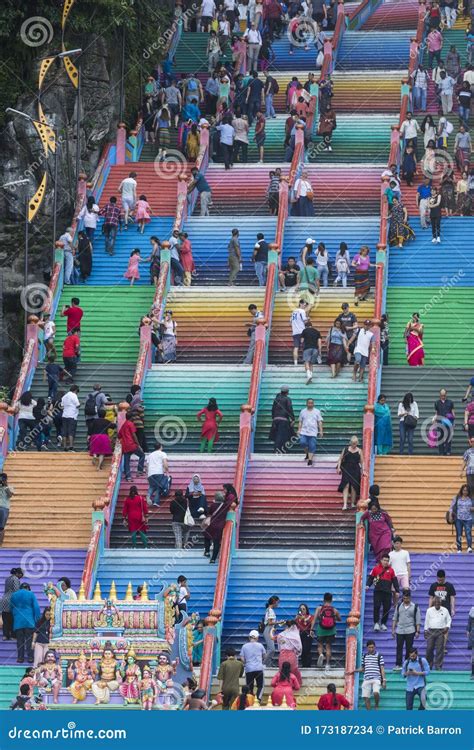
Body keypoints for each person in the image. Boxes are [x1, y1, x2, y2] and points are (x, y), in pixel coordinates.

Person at [204, 485, 238, 563]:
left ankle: (207, 551)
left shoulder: (213, 505)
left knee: (207, 536)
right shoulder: (225, 506)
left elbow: (209, 513)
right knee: (216, 542)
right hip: (221, 526)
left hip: (212, 525)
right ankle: (213, 559)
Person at [367, 552, 400, 631]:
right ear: (381, 560)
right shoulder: (375, 569)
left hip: (387, 592)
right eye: (384, 560)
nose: (385, 562)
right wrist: (367, 585)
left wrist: (397, 590)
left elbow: (394, 581)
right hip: (378, 591)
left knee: (386, 608)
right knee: (377, 607)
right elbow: (371, 578)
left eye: (387, 561)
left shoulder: (391, 570)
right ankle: (376, 623)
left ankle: (383, 623)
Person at [350, 640, 386, 711]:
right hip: (366, 678)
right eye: (369, 647)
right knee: (365, 696)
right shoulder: (365, 656)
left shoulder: (379, 656)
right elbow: (363, 668)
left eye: (372, 647)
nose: (371, 649)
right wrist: (354, 670)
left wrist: (384, 680)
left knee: (376, 692)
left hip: (376, 678)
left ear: (375, 647)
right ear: (367, 647)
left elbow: (382, 668)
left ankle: (376, 705)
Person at [10, 583, 41, 664]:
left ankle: (20, 658)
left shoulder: (14, 595)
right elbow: (36, 607)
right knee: (29, 640)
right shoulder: (31, 594)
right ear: (28, 588)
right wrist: (37, 618)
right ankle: (30, 657)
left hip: (18, 621)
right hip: (29, 621)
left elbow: (11, 607)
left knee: (20, 641)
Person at [392, 589, 421, 672]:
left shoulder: (415, 606)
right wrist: (393, 629)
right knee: (399, 647)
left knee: (409, 648)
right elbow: (395, 618)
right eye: (404, 598)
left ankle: (407, 664)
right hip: (400, 630)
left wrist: (417, 631)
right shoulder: (399, 606)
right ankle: (398, 664)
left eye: (407, 598)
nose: (406, 600)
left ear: (410, 598)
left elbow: (418, 619)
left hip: (410, 630)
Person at [311, 593, 341, 670]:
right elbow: (339, 619)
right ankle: (327, 664)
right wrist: (333, 618)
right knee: (328, 647)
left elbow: (314, 619)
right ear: (331, 600)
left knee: (320, 645)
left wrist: (311, 629)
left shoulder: (319, 608)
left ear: (323, 599)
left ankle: (321, 654)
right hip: (331, 630)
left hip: (321, 629)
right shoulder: (334, 610)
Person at [424, 597, 451, 670]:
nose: (437, 604)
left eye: (438, 603)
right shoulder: (429, 610)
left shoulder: (445, 610)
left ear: (440, 603)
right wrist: (425, 630)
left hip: (440, 631)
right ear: (433, 603)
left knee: (440, 649)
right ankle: (428, 666)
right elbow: (427, 620)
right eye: (435, 603)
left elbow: (449, 620)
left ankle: (438, 666)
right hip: (431, 631)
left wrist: (447, 627)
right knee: (429, 649)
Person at [337, 436, 363, 510]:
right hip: (346, 468)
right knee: (346, 485)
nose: (354, 445)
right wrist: (338, 468)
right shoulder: (345, 449)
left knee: (353, 486)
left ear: (357, 443)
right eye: (352, 443)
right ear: (350, 443)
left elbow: (362, 462)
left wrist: (363, 470)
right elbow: (340, 459)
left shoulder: (360, 451)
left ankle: (352, 503)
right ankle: (345, 504)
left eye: (355, 443)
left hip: (356, 469)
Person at [239, 630, 266, 701]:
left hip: (249, 669)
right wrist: (260, 661)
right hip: (259, 669)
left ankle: (250, 700)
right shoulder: (260, 645)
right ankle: (258, 699)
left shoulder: (244, 646)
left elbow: (242, 658)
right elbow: (264, 656)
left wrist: (247, 663)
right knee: (260, 686)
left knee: (249, 686)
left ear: (249, 637)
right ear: (257, 638)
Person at [119, 412, 145, 482]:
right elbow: (134, 435)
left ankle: (128, 477)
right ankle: (140, 471)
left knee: (126, 461)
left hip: (125, 446)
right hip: (131, 444)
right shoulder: (131, 424)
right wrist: (138, 445)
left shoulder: (123, 425)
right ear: (132, 418)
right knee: (142, 455)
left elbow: (119, 435)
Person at [269, 386, 295, 454]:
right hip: (283, 420)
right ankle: (278, 450)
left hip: (275, 419)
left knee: (277, 435)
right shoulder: (287, 399)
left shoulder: (276, 399)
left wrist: (273, 419)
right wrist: (293, 419)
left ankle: (277, 449)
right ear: (287, 392)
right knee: (282, 435)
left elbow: (273, 409)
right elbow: (289, 409)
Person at [298, 398, 324, 466]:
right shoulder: (302, 411)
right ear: (306, 403)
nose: (310, 404)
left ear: (313, 404)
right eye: (309, 403)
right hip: (304, 432)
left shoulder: (317, 411)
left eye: (311, 403)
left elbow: (319, 421)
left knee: (312, 446)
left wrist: (321, 431)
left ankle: (310, 460)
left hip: (313, 432)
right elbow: (300, 422)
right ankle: (307, 453)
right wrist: (299, 430)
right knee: (302, 443)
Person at [448, 484, 473, 553]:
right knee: (459, 534)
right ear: (461, 490)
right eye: (464, 490)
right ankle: (459, 549)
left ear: (469, 491)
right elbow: (451, 507)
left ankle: (469, 547)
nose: (465, 492)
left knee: (468, 533)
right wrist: (450, 515)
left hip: (468, 519)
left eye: (467, 491)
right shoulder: (456, 498)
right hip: (458, 519)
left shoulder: (471, 498)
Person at [0, 567, 23, 641]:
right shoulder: (15, 579)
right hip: (11, 600)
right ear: (17, 574)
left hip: (4, 599)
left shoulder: (7, 579)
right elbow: (16, 591)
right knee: (13, 619)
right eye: (21, 574)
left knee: (5, 618)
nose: (21, 576)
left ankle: (5, 635)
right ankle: (13, 635)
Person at [433, 388, 455, 456]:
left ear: (446, 394)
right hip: (440, 423)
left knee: (448, 437)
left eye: (444, 395)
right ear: (440, 395)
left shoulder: (450, 402)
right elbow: (436, 413)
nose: (443, 396)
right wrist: (434, 420)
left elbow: (453, 413)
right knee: (440, 437)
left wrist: (453, 422)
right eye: (442, 395)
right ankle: (441, 453)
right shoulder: (437, 403)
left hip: (448, 422)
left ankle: (448, 452)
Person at [146, 441, 169, 507]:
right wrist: (167, 470)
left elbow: (147, 466)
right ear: (161, 447)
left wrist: (147, 474)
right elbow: (165, 463)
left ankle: (149, 495)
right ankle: (156, 502)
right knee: (159, 486)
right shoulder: (162, 454)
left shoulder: (150, 455)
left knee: (152, 486)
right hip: (158, 472)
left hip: (150, 473)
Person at [60, 384, 80, 452]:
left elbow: (62, 406)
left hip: (64, 415)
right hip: (72, 415)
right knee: (71, 431)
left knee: (64, 432)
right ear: (75, 390)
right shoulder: (74, 395)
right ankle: (71, 446)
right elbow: (77, 405)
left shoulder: (64, 396)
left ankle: (65, 446)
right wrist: (81, 403)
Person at [295, 604, 313, 668]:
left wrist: (304, 618)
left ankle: (308, 665)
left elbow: (311, 622)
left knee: (307, 649)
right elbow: (295, 625)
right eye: (301, 609)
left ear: (306, 610)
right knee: (302, 649)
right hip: (300, 634)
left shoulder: (310, 616)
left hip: (307, 633)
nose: (302, 610)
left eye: (303, 609)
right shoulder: (297, 617)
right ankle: (303, 664)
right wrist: (297, 619)